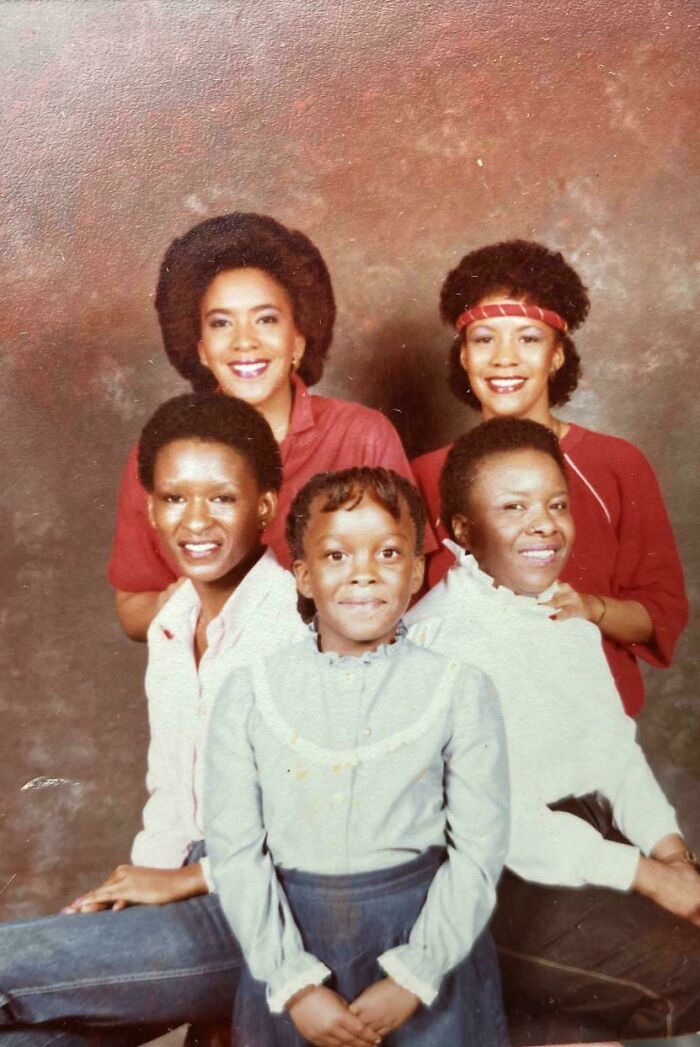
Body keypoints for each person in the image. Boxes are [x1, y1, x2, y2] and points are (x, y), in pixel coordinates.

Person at [0, 394, 309, 1046]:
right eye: (174, 498)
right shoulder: (171, 624)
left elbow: (328, 819)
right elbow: (172, 794)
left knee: (8, 963)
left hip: (272, 908)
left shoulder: (297, 628)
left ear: (265, 506)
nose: (195, 520)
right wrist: (129, 894)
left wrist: (187, 880)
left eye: (221, 498)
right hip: (185, 893)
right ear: (150, 509)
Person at [407, 417, 700, 1044]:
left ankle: (536, 1023)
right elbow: (499, 821)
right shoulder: (440, 640)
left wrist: (673, 855)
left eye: (557, 504)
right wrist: (649, 878)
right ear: (462, 529)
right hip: (491, 879)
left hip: (584, 846)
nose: (544, 524)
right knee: (687, 973)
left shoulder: (565, 616)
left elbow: (616, 755)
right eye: (513, 507)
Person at [204, 467, 509, 1047]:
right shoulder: (249, 693)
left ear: (416, 571)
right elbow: (236, 854)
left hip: (426, 947)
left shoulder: (460, 688)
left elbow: (479, 852)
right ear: (303, 576)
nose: (363, 573)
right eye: (336, 555)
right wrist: (294, 985)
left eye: (388, 553)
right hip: (292, 947)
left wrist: (414, 977)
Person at [110, 212, 426, 641]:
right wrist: (182, 607)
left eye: (266, 319)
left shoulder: (362, 435)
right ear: (200, 348)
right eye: (221, 323)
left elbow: (411, 584)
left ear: (298, 339)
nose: (245, 341)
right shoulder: (165, 452)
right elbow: (133, 609)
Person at [411, 239, 688, 715]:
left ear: (557, 355)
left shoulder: (616, 464)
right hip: (468, 725)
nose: (504, 358)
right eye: (484, 339)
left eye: (528, 338)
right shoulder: (425, 475)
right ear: (463, 356)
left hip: (588, 723)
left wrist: (590, 608)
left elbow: (660, 614)